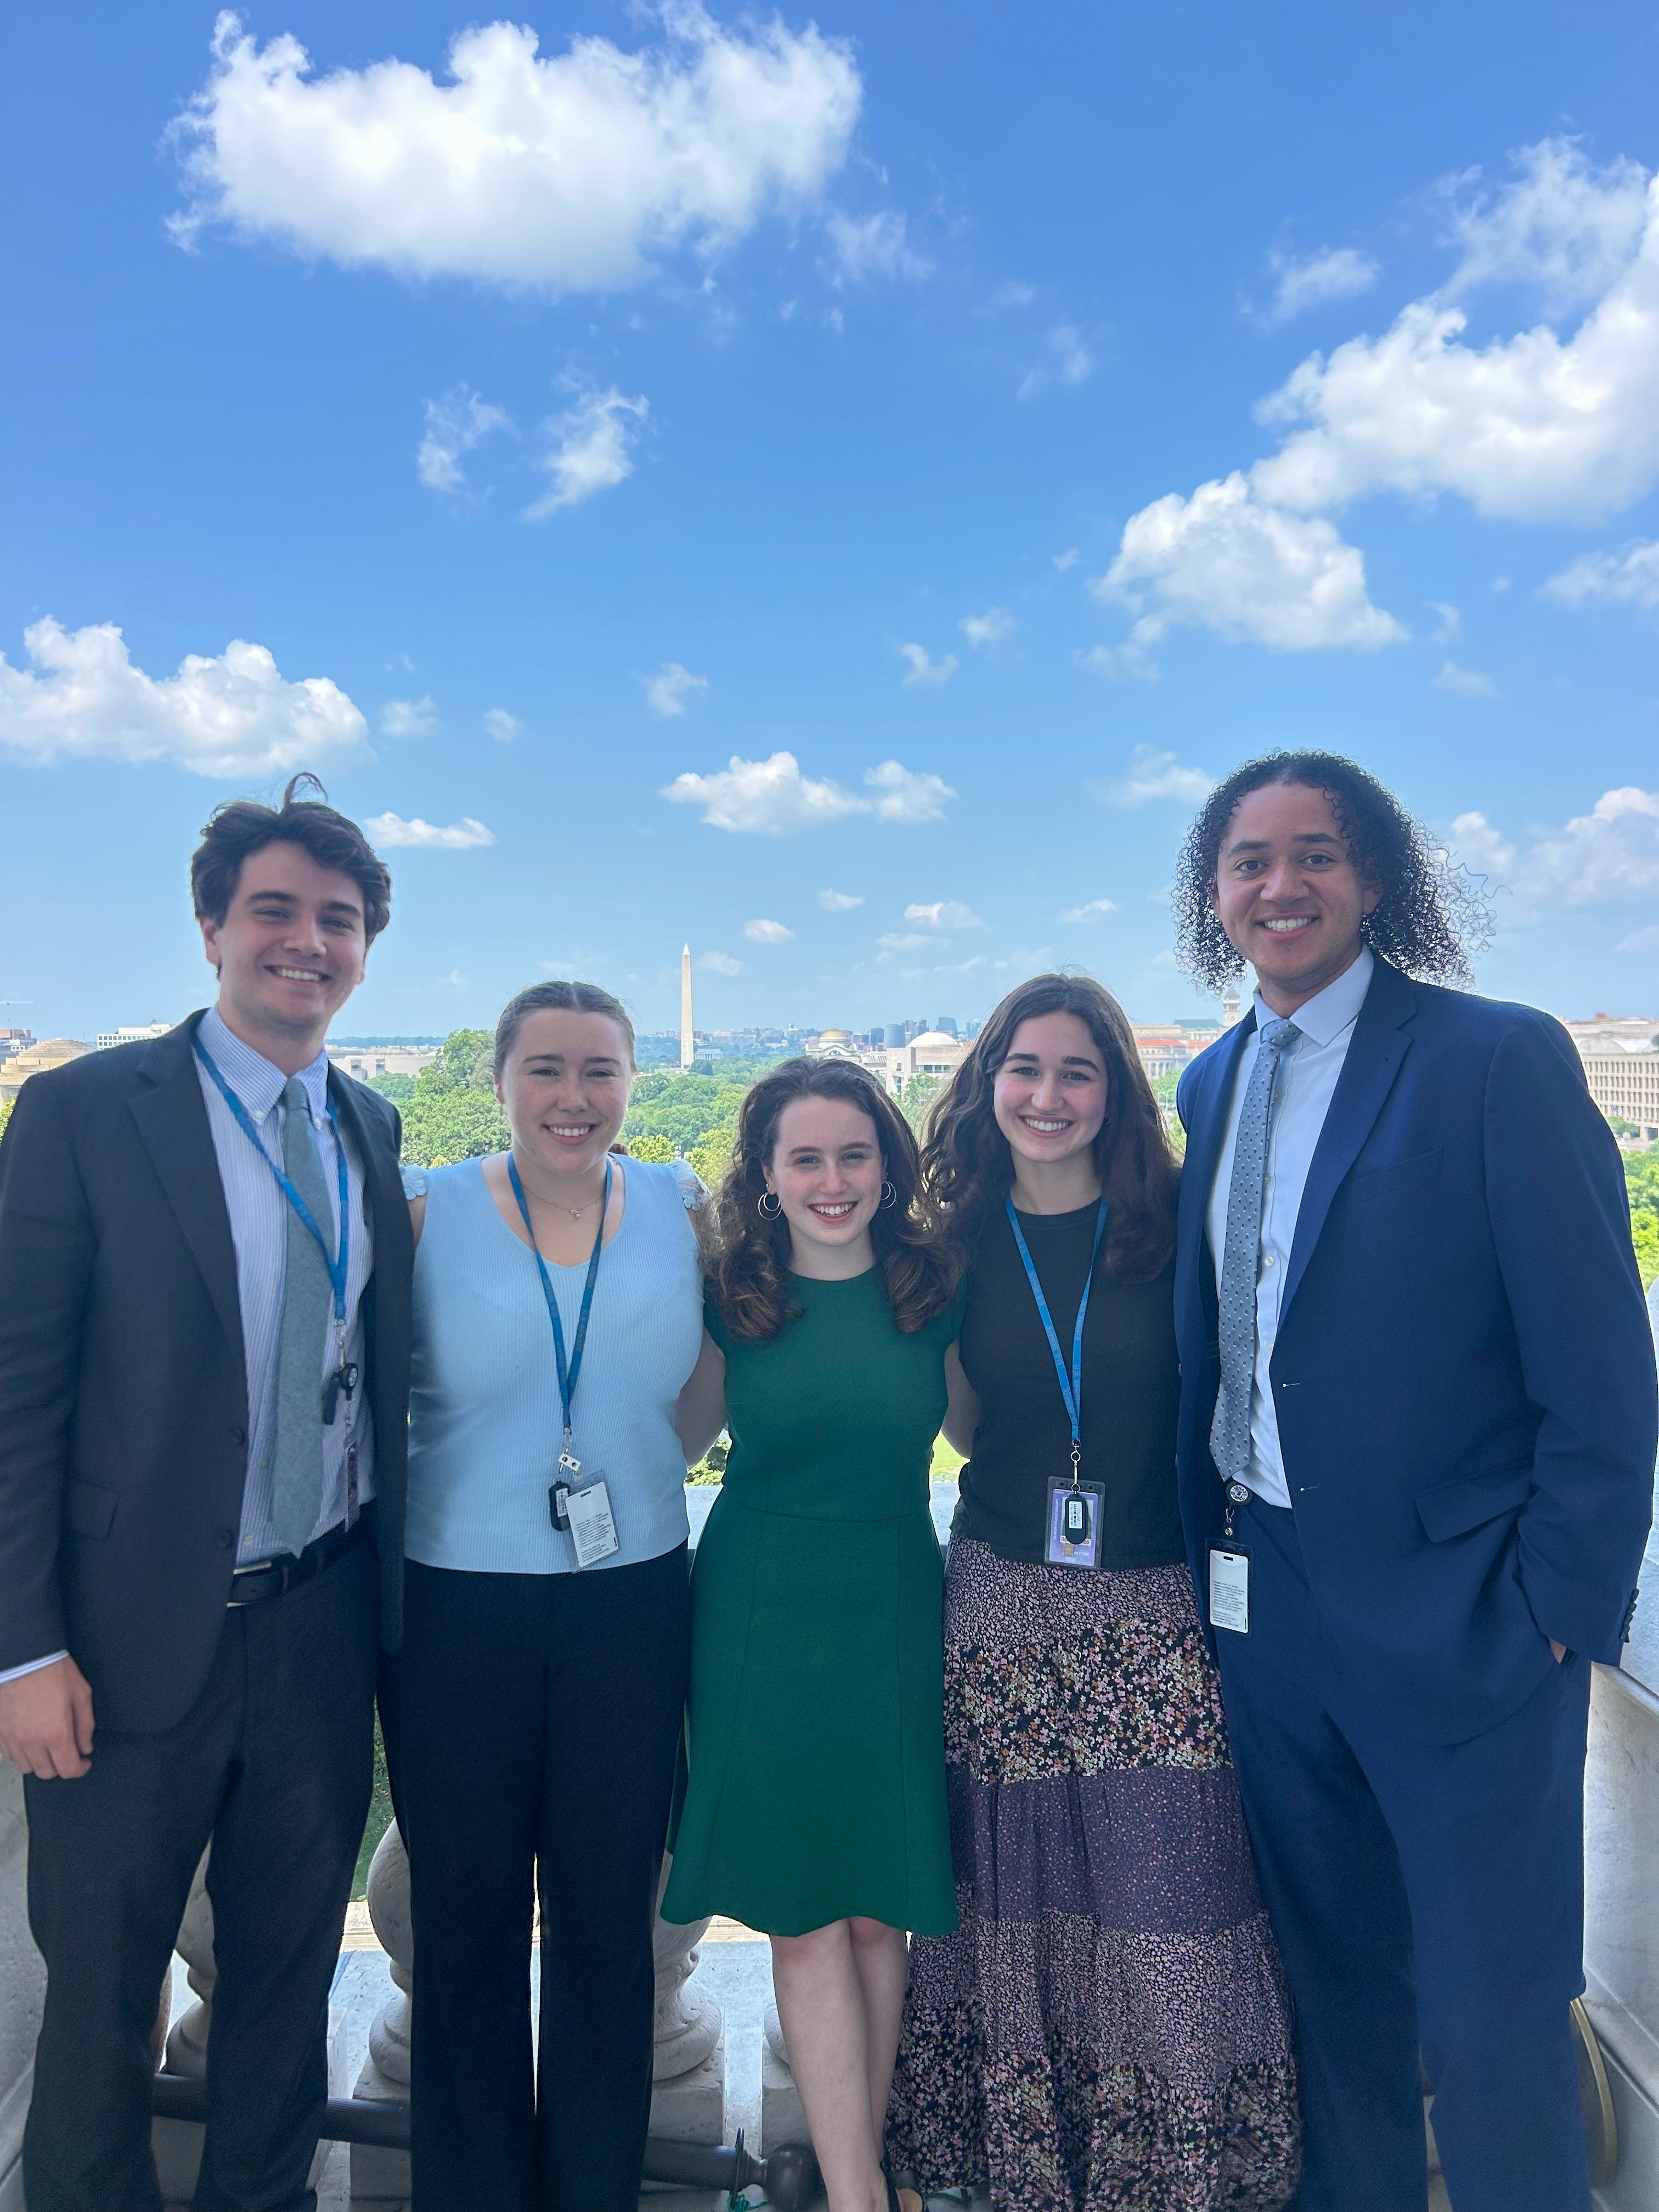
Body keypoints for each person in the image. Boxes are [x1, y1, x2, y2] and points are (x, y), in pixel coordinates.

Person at [1170, 751, 1657, 2212]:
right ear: (1214, 894)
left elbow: (1600, 1360)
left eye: (1315, 854)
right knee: (1333, 1998)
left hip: (1467, 1620)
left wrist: (1558, 1607)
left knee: (1494, 2017)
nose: (1282, 884)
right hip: (1268, 1609)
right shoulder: (1211, 1079)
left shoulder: (1493, 1059)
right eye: (1250, 860)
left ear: (1376, 877)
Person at [0, 775, 411, 2212]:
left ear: (366, 950)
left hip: (320, 1621)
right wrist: (23, 1647)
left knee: (286, 1982)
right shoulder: (82, 1111)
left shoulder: (371, 1125)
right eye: (275, 911)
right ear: (211, 929)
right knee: (99, 1994)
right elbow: (18, 1394)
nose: (308, 942)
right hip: (123, 1642)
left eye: (339, 920)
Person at [885, 974, 1300, 2212]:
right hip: (1002, 1599)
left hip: (1157, 1602)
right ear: (988, 1083)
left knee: (1173, 1889)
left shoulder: (1176, 1222)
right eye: (1024, 1068)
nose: (1048, 1095)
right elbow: (961, 1421)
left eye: (1078, 1071)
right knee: (1011, 1901)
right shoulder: (951, 1239)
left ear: (1115, 1090)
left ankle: (1178, 2170)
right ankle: (1024, 2166)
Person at [383, 980, 714, 2212]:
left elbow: (705, 1392)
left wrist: (625, 1476)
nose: (574, 1098)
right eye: (546, 1070)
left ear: (632, 1080)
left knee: (608, 1925)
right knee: (464, 1927)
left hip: (631, 1607)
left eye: (599, 1071)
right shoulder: (427, 1210)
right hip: (453, 1610)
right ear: (500, 1081)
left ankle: (590, 2189)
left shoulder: (683, 1206)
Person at [662, 1057, 962, 2212]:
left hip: (893, 1610)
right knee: (803, 1918)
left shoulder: (937, 1292)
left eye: (853, 1154)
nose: (831, 1180)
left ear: (887, 1167)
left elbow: (991, 1441)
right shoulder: (728, 1298)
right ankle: (856, 2198)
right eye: (806, 1158)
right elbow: (673, 1446)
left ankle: (859, 2177)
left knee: (882, 1916)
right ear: (768, 1175)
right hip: (758, 1621)